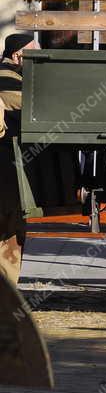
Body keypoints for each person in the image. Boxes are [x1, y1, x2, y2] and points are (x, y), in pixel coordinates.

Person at [0, 33, 39, 284]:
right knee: (9, 228)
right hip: (5, 169)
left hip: (9, 169)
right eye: (34, 53)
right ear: (18, 55)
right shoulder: (6, 77)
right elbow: (29, 106)